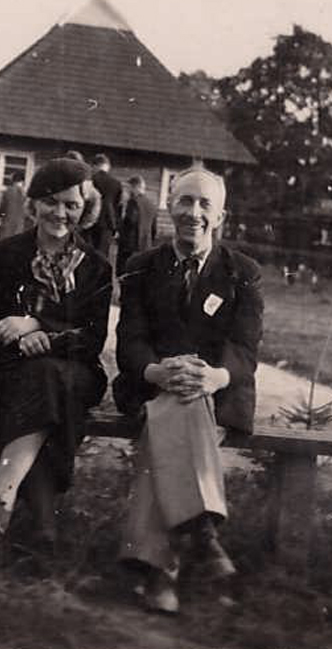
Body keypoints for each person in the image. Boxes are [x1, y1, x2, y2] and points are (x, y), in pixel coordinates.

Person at [113, 168, 264, 614]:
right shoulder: (141, 267)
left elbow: (245, 350)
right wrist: (156, 371)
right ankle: (201, 532)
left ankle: (157, 570)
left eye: (204, 204)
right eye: (184, 201)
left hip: (217, 394)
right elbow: (130, 341)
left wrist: (214, 377)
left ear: (220, 216)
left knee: (181, 409)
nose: (193, 213)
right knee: (176, 406)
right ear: (169, 206)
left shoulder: (242, 273)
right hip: (151, 385)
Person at [0, 158, 113, 547]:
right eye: (50, 202)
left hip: (74, 368)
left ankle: (0, 499)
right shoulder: (3, 254)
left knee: (46, 376)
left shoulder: (96, 267)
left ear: (85, 209)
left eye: (71, 205)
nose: (60, 214)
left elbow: (92, 338)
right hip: (7, 363)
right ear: (33, 203)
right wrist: (18, 339)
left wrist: (38, 327)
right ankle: (43, 525)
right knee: (39, 384)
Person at [117, 175, 159, 274]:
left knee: (125, 274)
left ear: (135, 187)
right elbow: (154, 228)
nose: (128, 191)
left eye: (129, 188)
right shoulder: (151, 204)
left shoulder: (133, 202)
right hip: (146, 245)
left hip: (130, 245)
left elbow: (131, 221)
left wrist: (120, 230)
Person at [86, 153, 123, 257]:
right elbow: (118, 207)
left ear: (95, 165)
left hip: (90, 222)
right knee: (102, 255)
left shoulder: (91, 181)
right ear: (107, 166)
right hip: (108, 223)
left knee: (87, 254)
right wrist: (116, 227)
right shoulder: (116, 183)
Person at [0, 176, 28, 240]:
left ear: (13, 181)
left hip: (8, 221)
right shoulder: (25, 194)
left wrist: (0, 216)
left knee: (5, 241)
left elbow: (3, 207)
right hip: (19, 224)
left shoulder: (8, 191)